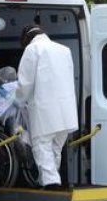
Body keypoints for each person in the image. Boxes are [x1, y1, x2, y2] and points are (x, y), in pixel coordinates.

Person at [11, 24, 78, 190]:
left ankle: (51, 184)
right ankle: (51, 180)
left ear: (27, 39)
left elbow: (25, 84)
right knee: (55, 148)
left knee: (41, 145)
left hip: (45, 111)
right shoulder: (64, 50)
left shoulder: (32, 50)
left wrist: (17, 101)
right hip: (67, 111)